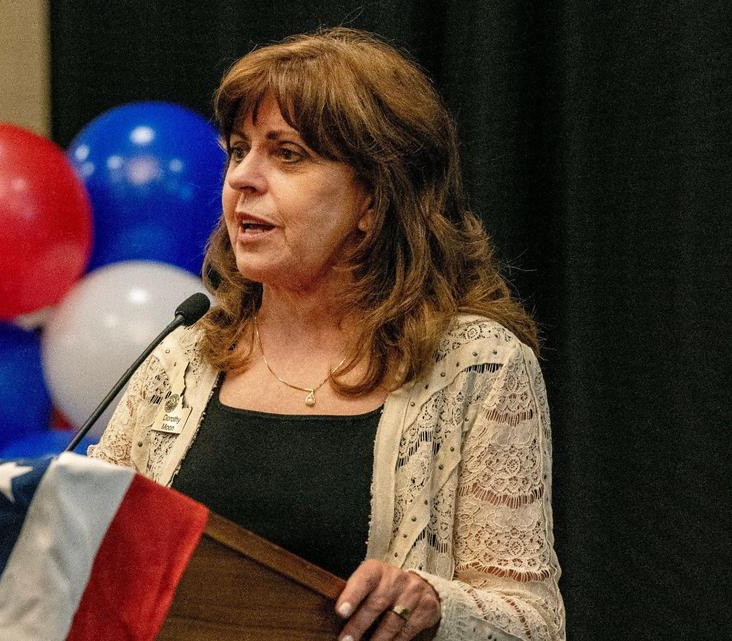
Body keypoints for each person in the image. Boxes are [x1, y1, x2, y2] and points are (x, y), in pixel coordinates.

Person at [88, 27, 564, 641]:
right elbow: (88, 546)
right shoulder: (184, 355)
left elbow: (535, 621)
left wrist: (434, 604)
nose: (242, 179)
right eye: (239, 150)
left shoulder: (478, 366)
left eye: (287, 154)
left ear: (374, 198)